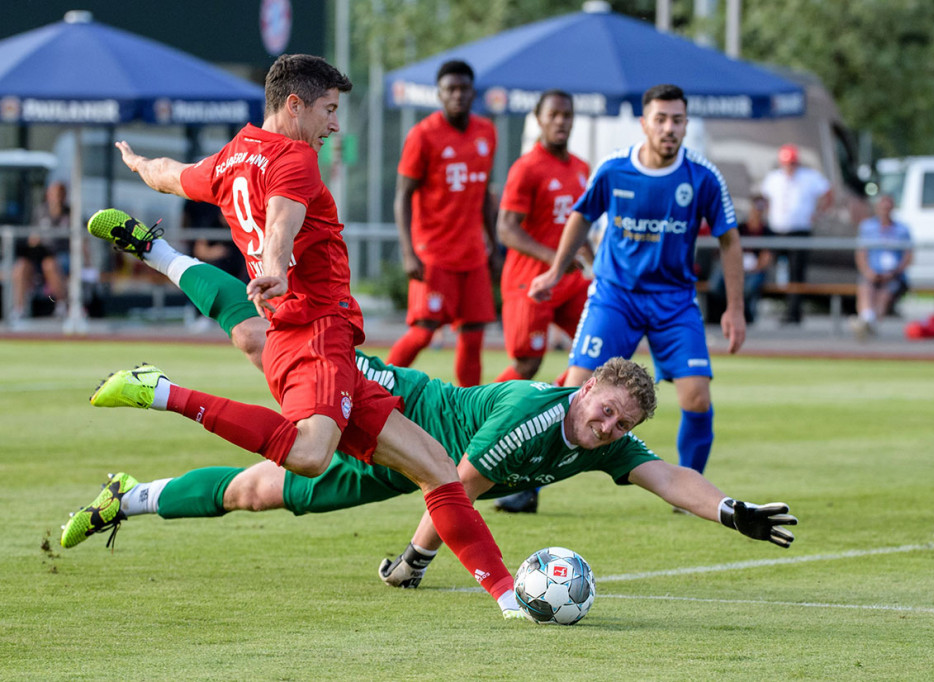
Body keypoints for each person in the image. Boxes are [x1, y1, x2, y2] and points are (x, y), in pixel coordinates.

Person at [85, 53, 518, 618]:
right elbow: (282, 220)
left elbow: (172, 175)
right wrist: (276, 267)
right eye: (329, 110)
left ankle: (511, 598)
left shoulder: (233, 155)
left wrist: (139, 163)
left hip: (307, 333)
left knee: (437, 466)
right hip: (315, 332)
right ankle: (164, 392)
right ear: (295, 105)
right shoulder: (294, 158)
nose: (334, 125)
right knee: (311, 455)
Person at [62, 349, 799, 589]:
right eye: (605, 410)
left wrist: (730, 510)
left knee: (258, 493)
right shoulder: (533, 414)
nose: (608, 428)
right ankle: (164, 268)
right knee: (269, 348)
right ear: (583, 390)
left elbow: (668, 477)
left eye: (621, 425)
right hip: (393, 405)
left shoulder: (605, 445)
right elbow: (456, 487)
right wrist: (414, 562)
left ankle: (130, 497)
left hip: (403, 466)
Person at [528, 84, 746, 485]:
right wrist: (556, 270)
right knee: (575, 392)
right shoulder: (614, 169)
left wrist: (735, 308)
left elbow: (729, 240)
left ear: (686, 125)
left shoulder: (703, 177)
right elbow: (581, 216)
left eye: (677, 120)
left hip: (674, 302)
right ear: (644, 124)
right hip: (616, 297)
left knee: (697, 397)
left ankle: (690, 489)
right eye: (660, 120)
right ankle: (529, 484)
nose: (669, 128)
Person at [388, 60, 501, 387]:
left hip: (473, 254)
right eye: (450, 89)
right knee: (423, 331)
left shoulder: (486, 132)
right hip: (434, 252)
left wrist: (493, 246)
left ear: (473, 92)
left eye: (463, 88)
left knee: (473, 335)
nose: (457, 95)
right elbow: (402, 196)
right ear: (439, 94)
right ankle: (374, 388)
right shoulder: (423, 135)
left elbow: (484, 194)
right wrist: (409, 252)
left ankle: (469, 407)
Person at [494, 89, 591, 383]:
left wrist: (598, 266)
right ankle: (475, 407)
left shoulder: (581, 168)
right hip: (531, 281)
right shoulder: (527, 168)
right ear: (539, 119)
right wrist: (555, 259)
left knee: (599, 348)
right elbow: (506, 229)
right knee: (527, 364)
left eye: (567, 115)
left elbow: (580, 224)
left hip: (569, 281)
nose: (561, 121)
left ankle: (557, 400)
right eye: (553, 115)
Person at [758, 144, 833, 324]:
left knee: (796, 273)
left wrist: (818, 214)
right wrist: (766, 214)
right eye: (787, 163)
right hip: (777, 230)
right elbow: (762, 198)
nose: (789, 167)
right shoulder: (774, 178)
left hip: (799, 230)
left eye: (792, 163)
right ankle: (755, 307)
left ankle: (793, 312)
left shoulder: (809, 177)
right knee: (765, 265)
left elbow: (828, 192)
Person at [853, 194, 913, 339]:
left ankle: (868, 324)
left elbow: (908, 256)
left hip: (893, 275)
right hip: (872, 273)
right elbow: (861, 254)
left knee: (884, 294)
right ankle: (868, 321)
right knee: (866, 288)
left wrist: (894, 273)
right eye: (882, 207)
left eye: (888, 207)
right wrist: (868, 272)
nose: (885, 210)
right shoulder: (867, 227)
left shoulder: (902, 229)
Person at [707, 194, 774, 324]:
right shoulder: (740, 228)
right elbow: (727, 251)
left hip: (754, 270)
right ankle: (719, 315)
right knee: (716, 283)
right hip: (735, 266)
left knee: (748, 286)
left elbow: (766, 257)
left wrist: (753, 268)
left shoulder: (767, 232)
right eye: (756, 206)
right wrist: (735, 267)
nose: (758, 211)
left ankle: (745, 316)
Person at [11, 180, 69, 321]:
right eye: (53, 194)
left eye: (59, 194)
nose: (56, 197)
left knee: (49, 265)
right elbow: (33, 236)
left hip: (61, 256)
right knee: (21, 267)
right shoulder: (40, 211)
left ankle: (62, 305)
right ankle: (19, 309)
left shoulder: (70, 213)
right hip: (40, 255)